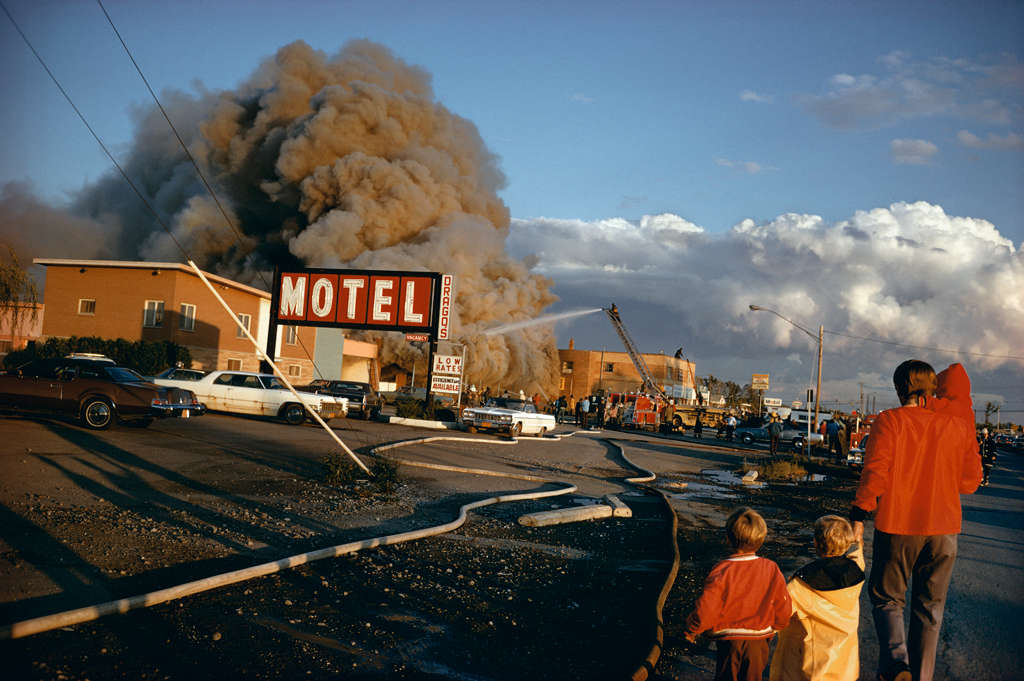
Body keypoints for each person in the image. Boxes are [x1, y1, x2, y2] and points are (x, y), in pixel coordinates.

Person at [850, 360, 982, 681]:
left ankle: (897, 664)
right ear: (931, 387)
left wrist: (859, 513)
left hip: (898, 525)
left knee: (886, 597)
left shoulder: (889, 421)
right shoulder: (957, 426)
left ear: (899, 389)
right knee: (930, 609)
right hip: (944, 530)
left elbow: (876, 472)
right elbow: (970, 482)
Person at [684, 507, 792, 681]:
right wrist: (780, 623)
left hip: (730, 639)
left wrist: (693, 628)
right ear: (761, 540)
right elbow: (782, 602)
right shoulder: (771, 568)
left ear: (728, 539)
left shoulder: (722, 570)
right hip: (759, 638)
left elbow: (707, 607)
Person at [769, 515, 865, 681]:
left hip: (816, 668)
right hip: (845, 668)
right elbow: (857, 553)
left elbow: (778, 614)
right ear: (847, 543)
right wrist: (857, 536)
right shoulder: (855, 570)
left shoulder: (803, 585)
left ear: (815, 543)